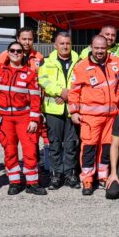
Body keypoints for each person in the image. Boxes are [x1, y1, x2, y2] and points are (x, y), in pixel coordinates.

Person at [69, 35, 119, 195]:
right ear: (91, 47)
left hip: (111, 116)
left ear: (107, 47)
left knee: (107, 147)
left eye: (103, 48)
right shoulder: (81, 67)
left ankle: (102, 176)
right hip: (90, 117)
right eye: (97, 48)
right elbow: (74, 91)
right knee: (89, 148)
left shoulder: (116, 62)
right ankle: (87, 180)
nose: (100, 51)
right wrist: (73, 111)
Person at [0, 41, 46, 195]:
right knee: (9, 151)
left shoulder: (30, 74)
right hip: (4, 118)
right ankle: (15, 181)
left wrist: (34, 120)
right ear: (8, 52)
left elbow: (35, 99)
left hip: (24, 117)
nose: (16, 53)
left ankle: (32, 183)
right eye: (12, 50)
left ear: (23, 54)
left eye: (19, 51)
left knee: (30, 150)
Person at [37, 31, 81, 190]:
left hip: (72, 108)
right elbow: (42, 80)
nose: (65, 46)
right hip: (53, 110)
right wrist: (59, 91)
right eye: (61, 43)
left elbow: (81, 81)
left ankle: (70, 174)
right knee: (55, 144)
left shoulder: (79, 60)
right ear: (55, 45)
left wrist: (67, 94)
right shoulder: (46, 61)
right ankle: (55, 175)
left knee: (71, 144)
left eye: (67, 43)